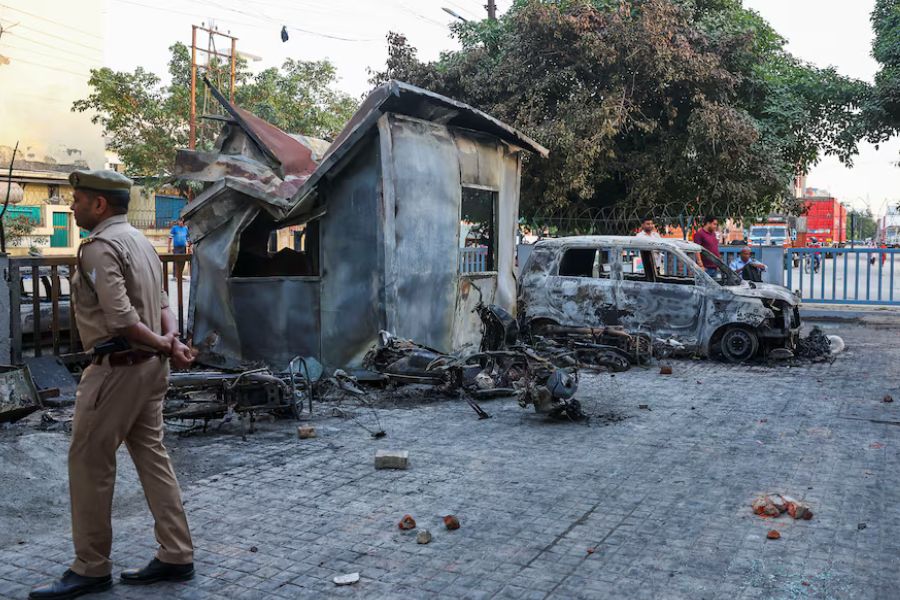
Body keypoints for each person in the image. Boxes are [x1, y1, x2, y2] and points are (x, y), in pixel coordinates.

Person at [30, 170, 196, 600]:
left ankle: (90, 566)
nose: (73, 207)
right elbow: (163, 304)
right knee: (153, 458)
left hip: (117, 370)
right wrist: (170, 342)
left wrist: (163, 342)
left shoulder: (100, 247)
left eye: (79, 200)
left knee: (88, 463)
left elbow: (121, 318)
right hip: (150, 369)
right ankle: (177, 554)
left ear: (100, 205)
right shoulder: (142, 242)